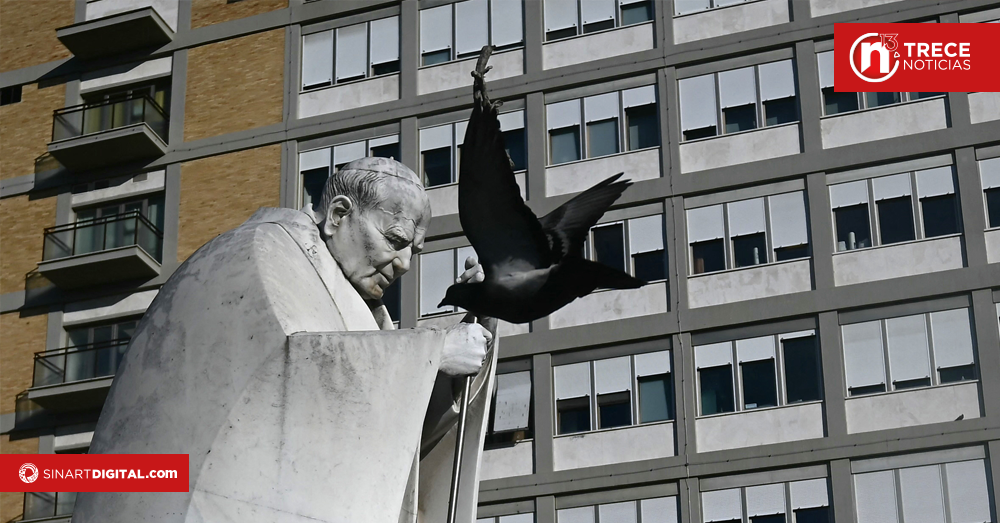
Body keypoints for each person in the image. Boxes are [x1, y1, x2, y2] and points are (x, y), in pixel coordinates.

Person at [73, 157, 495, 523]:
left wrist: (477, 318)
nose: (403, 263)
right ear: (338, 214)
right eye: (395, 240)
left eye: (413, 252)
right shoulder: (255, 252)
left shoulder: (363, 309)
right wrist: (430, 353)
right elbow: (283, 370)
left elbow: (391, 435)